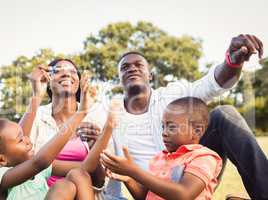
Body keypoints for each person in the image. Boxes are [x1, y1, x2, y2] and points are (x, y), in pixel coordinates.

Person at [87, 34, 267, 200]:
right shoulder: (108, 112)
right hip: (150, 186)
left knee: (224, 114)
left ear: (150, 75)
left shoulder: (173, 94)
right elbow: (100, 164)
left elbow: (211, 85)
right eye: (125, 67)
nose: (132, 69)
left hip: (191, 173)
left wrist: (231, 63)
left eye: (138, 65)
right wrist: (94, 138)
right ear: (119, 78)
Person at [0, 71, 116, 200]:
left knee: (73, 179)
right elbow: (40, 162)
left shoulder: (39, 171)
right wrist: (81, 112)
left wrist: (106, 131)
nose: (27, 138)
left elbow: (85, 167)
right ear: (0, 160)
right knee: (67, 182)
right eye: (21, 139)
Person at [101, 97, 222, 200]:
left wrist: (133, 171)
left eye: (171, 127)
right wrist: (128, 178)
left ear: (197, 130)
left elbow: (184, 194)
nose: (164, 132)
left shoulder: (203, 158)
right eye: (163, 126)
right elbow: (146, 196)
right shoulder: (161, 158)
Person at [22, 59, 106, 188]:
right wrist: (37, 95)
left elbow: (101, 179)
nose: (66, 74)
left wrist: (96, 146)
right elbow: (16, 154)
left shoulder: (96, 116)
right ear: (48, 80)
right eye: (58, 70)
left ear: (78, 82)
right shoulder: (36, 115)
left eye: (73, 71)